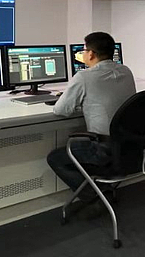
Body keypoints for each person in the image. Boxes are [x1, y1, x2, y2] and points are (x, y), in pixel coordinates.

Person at [47, 31, 136, 202]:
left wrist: (79, 100)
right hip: (133, 148)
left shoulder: (84, 77)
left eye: (84, 50)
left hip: (104, 151)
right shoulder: (126, 71)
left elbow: (61, 110)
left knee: (55, 158)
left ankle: (96, 196)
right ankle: (102, 190)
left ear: (91, 54)